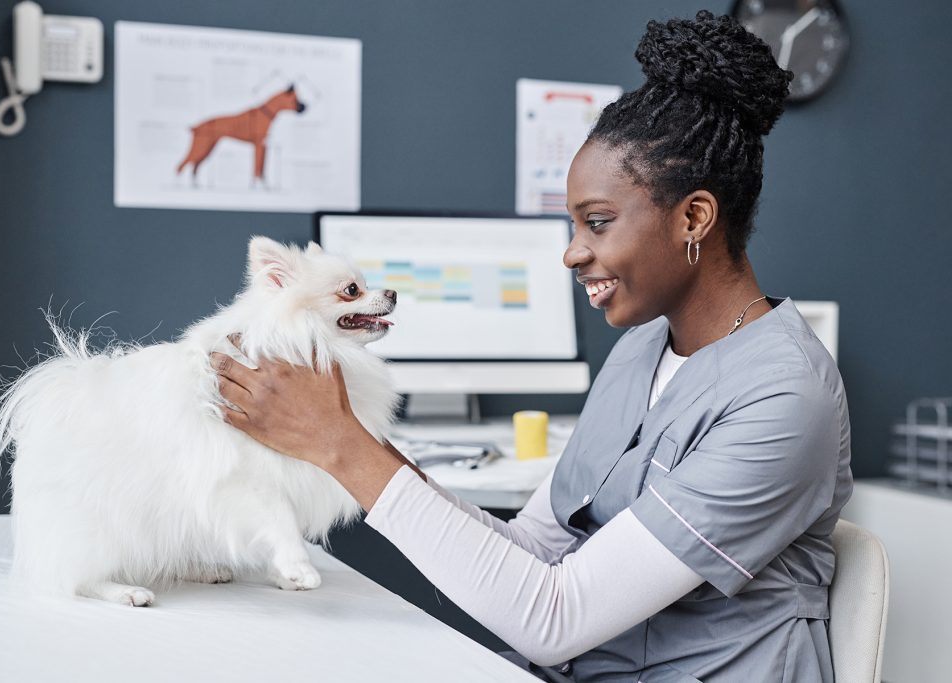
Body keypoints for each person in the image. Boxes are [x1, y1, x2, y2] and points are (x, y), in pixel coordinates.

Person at [212, 10, 853, 682]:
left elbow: (554, 616)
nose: (574, 252)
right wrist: (350, 443)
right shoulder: (643, 350)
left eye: (597, 223)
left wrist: (339, 443)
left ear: (694, 217)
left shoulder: (786, 397)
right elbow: (532, 548)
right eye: (572, 224)